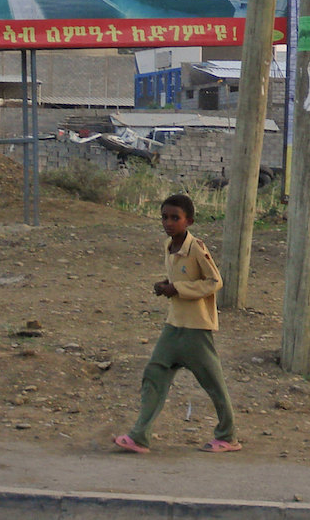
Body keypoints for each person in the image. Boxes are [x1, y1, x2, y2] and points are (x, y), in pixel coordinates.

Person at [113, 194, 240, 455]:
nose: (168, 223)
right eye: (164, 217)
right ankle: (139, 435)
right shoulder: (168, 246)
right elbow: (177, 278)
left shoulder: (196, 248)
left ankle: (228, 436)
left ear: (188, 221)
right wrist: (165, 286)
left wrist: (178, 289)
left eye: (175, 218)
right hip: (174, 326)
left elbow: (214, 282)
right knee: (154, 374)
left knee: (213, 384)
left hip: (195, 328)